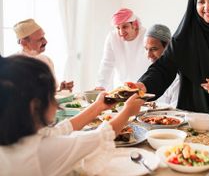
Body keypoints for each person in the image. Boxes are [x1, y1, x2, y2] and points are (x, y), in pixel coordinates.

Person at [0, 55, 145, 175]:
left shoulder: (19, 139)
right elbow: (101, 136)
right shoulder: (41, 152)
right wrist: (127, 111)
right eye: (52, 95)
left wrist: (98, 106)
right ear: (35, 106)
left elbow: (61, 129)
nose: (57, 103)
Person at [96, 8, 150, 91]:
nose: (121, 32)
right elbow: (107, 63)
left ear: (134, 25)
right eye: (118, 28)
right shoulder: (112, 37)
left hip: (145, 87)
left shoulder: (147, 36)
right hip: (121, 89)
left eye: (125, 26)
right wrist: (101, 85)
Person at [13, 18, 74, 92]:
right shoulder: (14, 65)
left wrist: (61, 90)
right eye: (40, 39)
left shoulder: (46, 60)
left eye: (44, 37)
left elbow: (51, 92)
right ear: (24, 42)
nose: (45, 41)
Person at [144, 24, 179, 107]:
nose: (149, 55)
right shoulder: (151, 72)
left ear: (168, 47)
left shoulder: (178, 78)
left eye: (154, 49)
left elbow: (177, 111)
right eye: (146, 49)